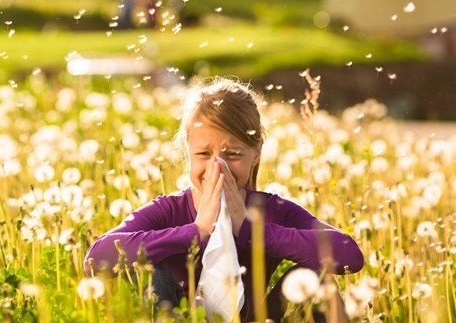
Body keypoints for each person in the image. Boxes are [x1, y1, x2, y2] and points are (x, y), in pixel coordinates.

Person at [84, 77, 364, 322]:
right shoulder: (168, 210)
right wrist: (196, 231)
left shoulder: (270, 210)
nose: (217, 167)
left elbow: (349, 255)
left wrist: (250, 229)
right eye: (204, 155)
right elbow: (96, 259)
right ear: (187, 152)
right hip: (177, 319)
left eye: (232, 155)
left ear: (256, 153)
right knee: (151, 273)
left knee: (320, 279)